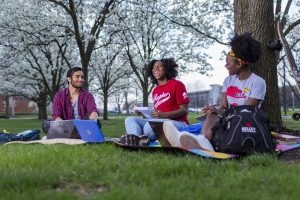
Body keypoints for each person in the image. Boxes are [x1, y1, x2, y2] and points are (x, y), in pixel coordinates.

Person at [163, 32, 266, 151]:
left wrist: (220, 112)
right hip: (227, 118)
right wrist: (214, 109)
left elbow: (246, 111)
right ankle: (191, 138)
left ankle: (199, 141)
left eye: (228, 63)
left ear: (238, 64)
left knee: (210, 121)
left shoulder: (257, 82)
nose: (225, 65)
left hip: (245, 122)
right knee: (211, 115)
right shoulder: (228, 80)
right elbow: (223, 106)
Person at [124, 58, 190, 143]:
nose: (156, 69)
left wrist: (164, 115)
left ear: (166, 68)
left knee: (149, 126)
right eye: (154, 67)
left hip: (178, 123)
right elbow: (156, 115)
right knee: (130, 119)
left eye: (159, 66)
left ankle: (140, 139)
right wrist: (144, 114)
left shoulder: (177, 85)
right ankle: (135, 140)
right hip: (158, 121)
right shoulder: (155, 90)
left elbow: (184, 110)